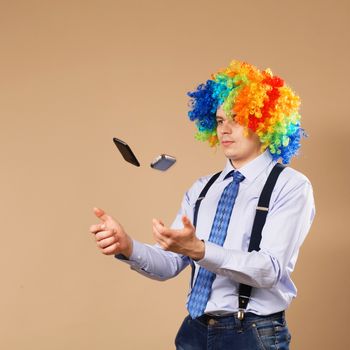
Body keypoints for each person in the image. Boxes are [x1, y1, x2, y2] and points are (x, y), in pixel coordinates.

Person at [89, 60, 315, 349]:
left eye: (237, 118)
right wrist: (127, 246)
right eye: (220, 120)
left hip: (253, 334)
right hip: (194, 331)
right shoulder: (202, 189)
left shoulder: (291, 186)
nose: (225, 129)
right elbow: (171, 263)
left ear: (264, 122)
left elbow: (268, 269)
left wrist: (201, 250)